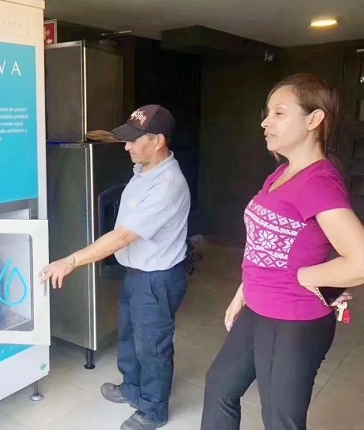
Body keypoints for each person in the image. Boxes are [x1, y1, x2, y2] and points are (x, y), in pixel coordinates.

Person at [201, 73, 364, 430]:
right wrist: (243, 292)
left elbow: (360, 260)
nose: (265, 122)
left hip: (293, 320)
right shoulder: (281, 174)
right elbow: (264, 244)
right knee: (219, 387)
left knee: (280, 420)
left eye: (279, 113)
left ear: (314, 119)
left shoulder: (318, 182)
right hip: (260, 307)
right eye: (267, 113)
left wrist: (307, 275)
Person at [40, 104, 191, 430]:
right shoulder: (144, 170)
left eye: (134, 140)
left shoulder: (167, 185)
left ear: (158, 141)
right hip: (137, 274)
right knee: (130, 335)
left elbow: (123, 236)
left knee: (152, 347)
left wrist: (71, 260)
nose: (126, 147)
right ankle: (132, 387)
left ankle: (153, 410)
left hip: (157, 279)